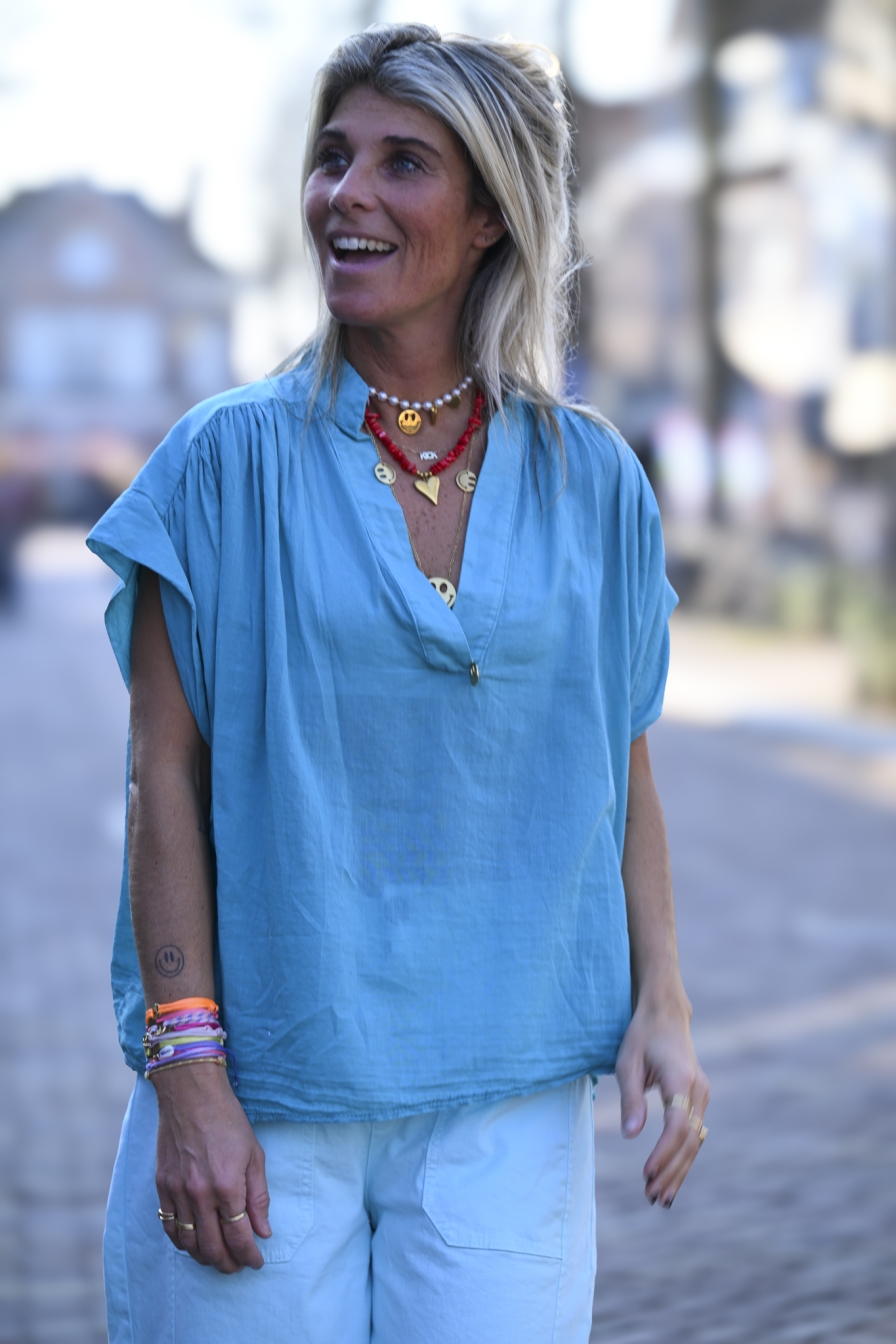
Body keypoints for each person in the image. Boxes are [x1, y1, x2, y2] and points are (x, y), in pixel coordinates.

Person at [88, 23, 709, 1344]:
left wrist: (663, 995)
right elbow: (163, 777)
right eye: (332, 158)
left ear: (490, 217)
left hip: (507, 1098)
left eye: (402, 163)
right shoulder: (220, 464)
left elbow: (618, 757)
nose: (345, 194)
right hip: (265, 1090)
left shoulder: (595, 482)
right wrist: (189, 1073)